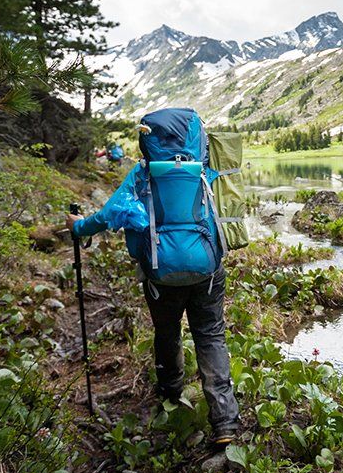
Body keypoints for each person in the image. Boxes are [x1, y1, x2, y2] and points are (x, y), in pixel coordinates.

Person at [66, 109, 240, 450]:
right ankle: (225, 422)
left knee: (167, 331)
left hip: (160, 274)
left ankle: (171, 394)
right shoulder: (206, 170)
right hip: (207, 271)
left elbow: (109, 214)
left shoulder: (143, 174)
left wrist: (78, 226)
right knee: (210, 336)